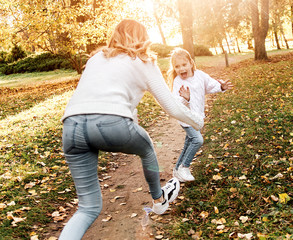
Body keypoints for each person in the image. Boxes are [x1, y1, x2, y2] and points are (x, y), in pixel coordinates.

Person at [59, 20, 203, 240]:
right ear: (143, 37)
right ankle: (158, 200)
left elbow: (101, 92)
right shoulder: (143, 60)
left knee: (87, 208)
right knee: (146, 148)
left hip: (71, 127)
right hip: (110, 124)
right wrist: (197, 122)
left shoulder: (97, 57)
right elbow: (172, 106)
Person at [168, 48, 233, 182]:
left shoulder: (200, 75)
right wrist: (185, 98)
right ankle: (184, 167)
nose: (181, 69)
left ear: (191, 63)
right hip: (186, 118)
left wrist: (221, 87)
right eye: (177, 66)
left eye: (184, 65)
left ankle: (176, 170)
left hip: (198, 117)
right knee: (197, 140)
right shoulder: (178, 82)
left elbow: (210, 85)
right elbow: (176, 102)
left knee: (188, 143)